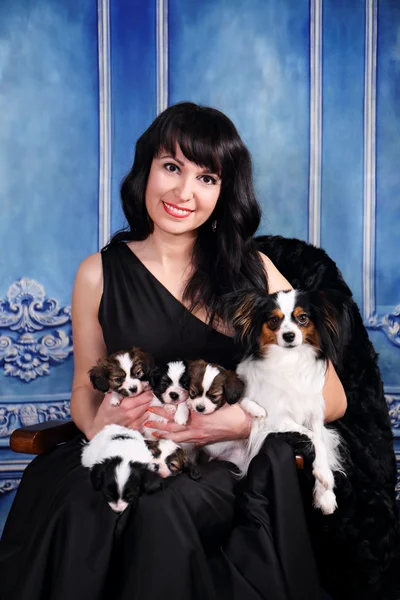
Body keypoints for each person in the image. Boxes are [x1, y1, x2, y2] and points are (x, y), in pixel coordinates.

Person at [0, 102, 346, 600]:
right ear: (146, 171)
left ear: (224, 192)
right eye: (171, 168)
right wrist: (94, 424)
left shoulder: (256, 271)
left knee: (164, 510)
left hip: (222, 463)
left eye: (207, 178)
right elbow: (83, 385)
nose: (185, 192)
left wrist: (247, 423)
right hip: (127, 444)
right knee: (90, 499)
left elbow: (332, 397)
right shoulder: (97, 273)